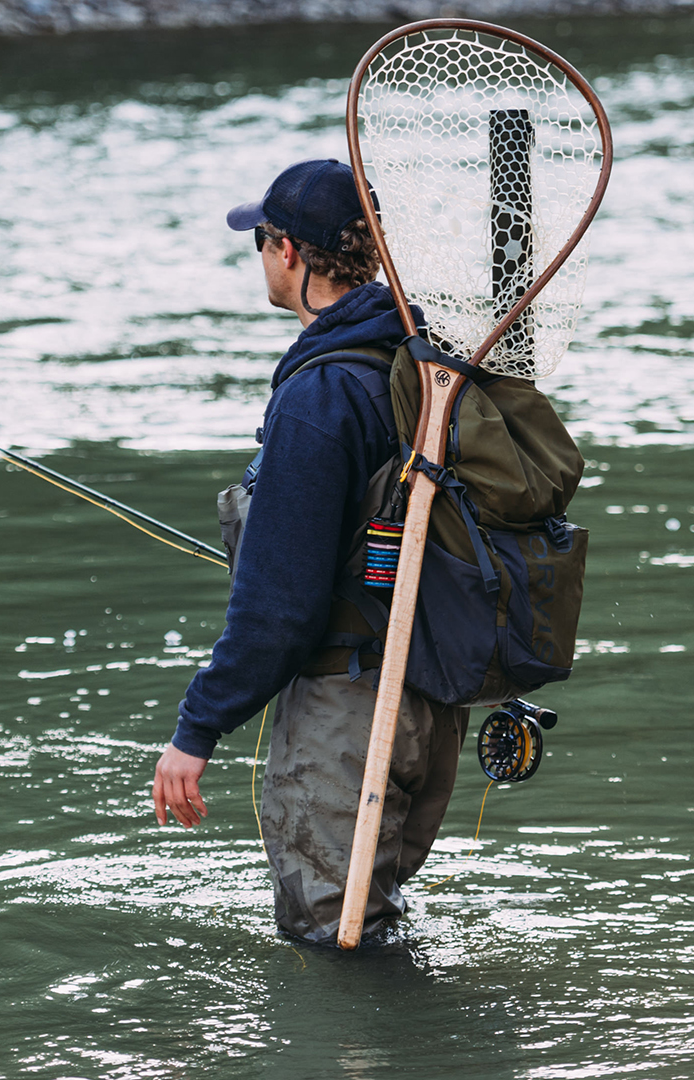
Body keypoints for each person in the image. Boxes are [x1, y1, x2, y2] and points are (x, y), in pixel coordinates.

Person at [149, 159, 468, 945]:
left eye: (260, 240)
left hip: (348, 717)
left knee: (336, 948)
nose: (260, 256)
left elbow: (279, 611)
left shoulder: (319, 395)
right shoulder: (428, 364)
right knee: (375, 931)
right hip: (428, 708)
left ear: (288, 251)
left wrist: (196, 731)